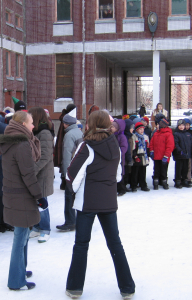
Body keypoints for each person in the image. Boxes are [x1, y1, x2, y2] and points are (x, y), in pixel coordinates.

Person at [65, 110, 135, 300]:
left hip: (87, 202)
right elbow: (118, 176)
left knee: (81, 244)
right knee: (115, 244)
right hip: (108, 201)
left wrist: (74, 190)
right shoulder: (115, 144)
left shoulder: (86, 146)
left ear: (91, 124)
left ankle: (74, 288)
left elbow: (72, 174)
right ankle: (127, 287)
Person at [0, 111, 43, 291]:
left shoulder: (12, 141)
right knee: (20, 237)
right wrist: (39, 196)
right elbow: (28, 175)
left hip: (14, 194)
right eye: (31, 123)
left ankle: (20, 270)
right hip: (21, 196)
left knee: (22, 236)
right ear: (22, 125)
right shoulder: (22, 144)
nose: (33, 126)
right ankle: (16, 280)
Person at [28, 107, 55, 243]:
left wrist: (33, 171)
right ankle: (37, 227)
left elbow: (45, 156)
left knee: (41, 202)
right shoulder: (35, 131)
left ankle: (45, 229)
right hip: (36, 172)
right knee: (35, 201)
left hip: (42, 173)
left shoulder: (44, 133)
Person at [57, 108, 83, 231]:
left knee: (69, 197)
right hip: (80, 169)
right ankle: (77, 220)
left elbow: (67, 154)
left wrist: (66, 172)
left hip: (71, 171)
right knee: (77, 196)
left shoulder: (69, 135)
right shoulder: (79, 132)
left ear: (66, 124)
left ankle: (70, 222)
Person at [54, 103, 76, 190]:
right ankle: (64, 182)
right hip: (66, 143)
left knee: (65, 161)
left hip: (64, 143)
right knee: (66, 161)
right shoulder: (67, 119)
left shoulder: (65, 118)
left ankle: (64, 182)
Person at [149, 118, 174, 190]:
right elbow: (152, 143)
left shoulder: (168, 134)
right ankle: (155, 183)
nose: (157, 126)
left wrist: (166, 156)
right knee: (156, 170)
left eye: (158, 125)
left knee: (164, 171)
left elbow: (170, 146)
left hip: (164, 157)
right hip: (156, 156)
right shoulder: (156, 133)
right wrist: (152, 151)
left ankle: (164, 182)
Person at [172, 119, 192, 188]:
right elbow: (176, 144)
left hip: (187, 154)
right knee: (178, 169)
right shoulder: (176, 134)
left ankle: (184, 180)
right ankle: (178, 181)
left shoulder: (188, 134)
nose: (181, 127)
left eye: (182, 125)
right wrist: (179, 150)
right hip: (179, 155)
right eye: (180, 125)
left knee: (185, 168)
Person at [130, 122, 150, 192]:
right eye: (140, 129)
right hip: (137, 156)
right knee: (135, 172)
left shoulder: (146, 137)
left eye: (143, 129)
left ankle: (143, 185)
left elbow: (147, 148)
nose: (142, 130)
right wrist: (135, 156)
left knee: (143, 172)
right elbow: (133, 148)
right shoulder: (134, 137)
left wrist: (148, 156)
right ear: (137, 130)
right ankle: (134, 185)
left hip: (144, 156)